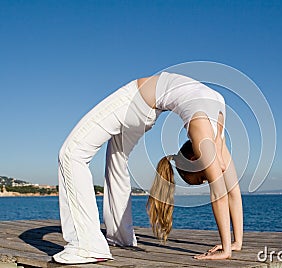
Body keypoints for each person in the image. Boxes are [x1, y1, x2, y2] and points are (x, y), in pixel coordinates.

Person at [54, 71, 243, 264]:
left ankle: (88, 246)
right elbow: (220, 194)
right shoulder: (207, 140)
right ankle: (120, 237)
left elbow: (232, 191)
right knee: (103, 157)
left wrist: (234, 244)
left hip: (143, 104)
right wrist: (228, 246)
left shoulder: (212, 139)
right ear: (195, 159)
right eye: (202, 177)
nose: (207, 177)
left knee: (73, 153)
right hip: (138, 105)